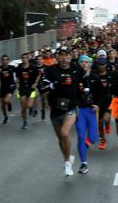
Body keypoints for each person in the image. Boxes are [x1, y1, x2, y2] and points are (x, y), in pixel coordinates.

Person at [42, 46, 83, 176]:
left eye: (66, 55)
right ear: (57, 57)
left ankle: (67, 163)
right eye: (61, 55)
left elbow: (87, 82)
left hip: (71, 107)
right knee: (60, 138)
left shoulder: (76, 69)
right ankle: (67, 158)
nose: (64, 58)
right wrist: (55, 83)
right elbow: (43, 87)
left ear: (71, 56)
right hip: (55, 107)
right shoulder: (51, 70)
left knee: (65, 133)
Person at [76, 55, 102, 174]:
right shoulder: (76, 77)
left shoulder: (96, 78)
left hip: (91, 111)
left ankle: (90, 139)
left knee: (92, 139)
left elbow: (103, 94)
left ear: (90, 64)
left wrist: (98, 105)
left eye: (86, 62)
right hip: (80, 110)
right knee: (81, 136)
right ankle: (83, 163)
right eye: (82, 62)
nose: (84, 64)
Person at [14, 53, 41, 129]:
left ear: (28, 58)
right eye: (22, 58)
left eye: (25, 57)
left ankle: (32, 108)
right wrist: (17, 82)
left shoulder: (33, 66)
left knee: (29, 105)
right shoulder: (19, 67)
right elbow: (18, 77)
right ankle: (24, 122)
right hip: (22, 88)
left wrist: (36, 83)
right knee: (23, 108)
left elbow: (39, 74)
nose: (24, 59)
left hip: (31, 88)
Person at [95, 58, 114, 150]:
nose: (100, 66)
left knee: (104, 120)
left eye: (102, 64)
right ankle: (103, 140)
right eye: (99, 64)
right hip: (98, 101)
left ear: (106, 65)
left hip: (108, 101)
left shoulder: (111, 75)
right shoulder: (94, 75)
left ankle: (107, 123)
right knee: (99, 123)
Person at [0, 54, 16, 124]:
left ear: (8, 61)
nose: (5, 61)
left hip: (11, 86)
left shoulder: (12, 67)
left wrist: (18, 80)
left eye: (6, 60)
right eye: (3, 60)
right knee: (3, 105)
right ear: (1, 61)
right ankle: (5, 117)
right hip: (3, 87)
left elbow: (19, 73)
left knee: (6, 100)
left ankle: (9, 103)